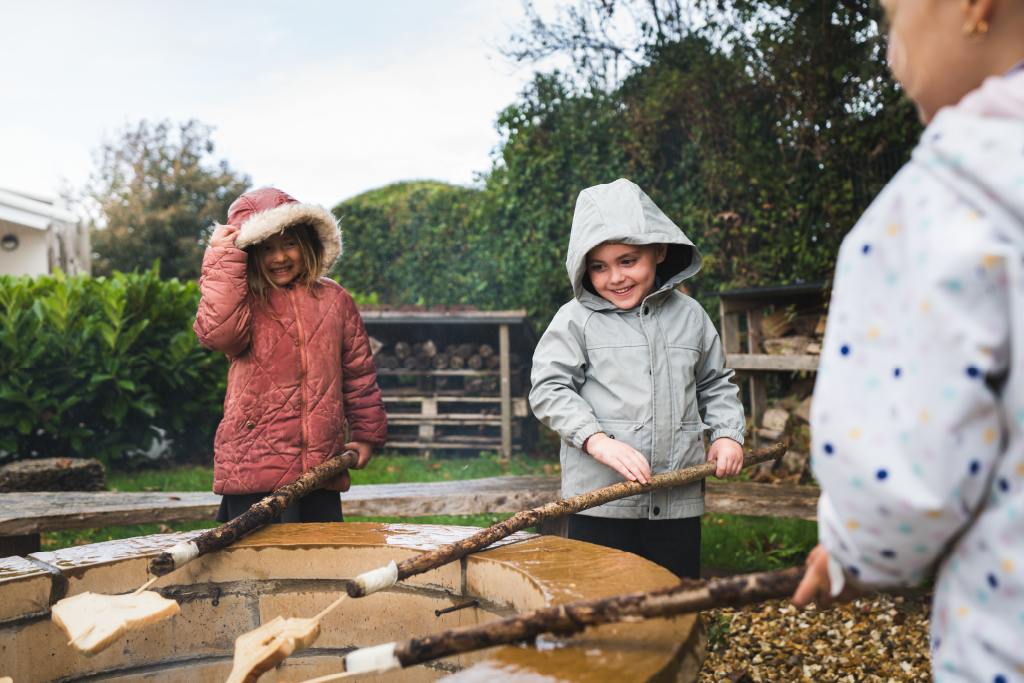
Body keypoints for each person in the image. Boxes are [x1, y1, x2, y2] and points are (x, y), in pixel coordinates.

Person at [791, 0, 1024, 678]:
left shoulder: (951, 197)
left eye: (892, 15)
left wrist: (853, 548)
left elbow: (903, 478)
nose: (891, 52)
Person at [529, 178, 747, 579]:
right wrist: (596, 441)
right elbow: (549, 388)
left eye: (628, 261)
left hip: (677, 501)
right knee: (600, 603)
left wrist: (727, 434)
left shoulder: (692, 316)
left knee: (674, 599)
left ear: (659, 250)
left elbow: (715, 383)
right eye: (599, 266)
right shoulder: (575, 320)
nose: (615, 277)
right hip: (600, 502)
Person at [195, 187, 387, 524]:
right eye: (265, 248)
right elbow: (220, 334)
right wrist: (221, 258)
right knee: (253, 555)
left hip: (320, 468)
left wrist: (365, 435)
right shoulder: (244, 301)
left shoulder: (336, 299)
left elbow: (359, 375)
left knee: (319, 553)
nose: (279, 257)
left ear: (308, 243)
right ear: (248, 253)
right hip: (254, 464)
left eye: (289, 244)